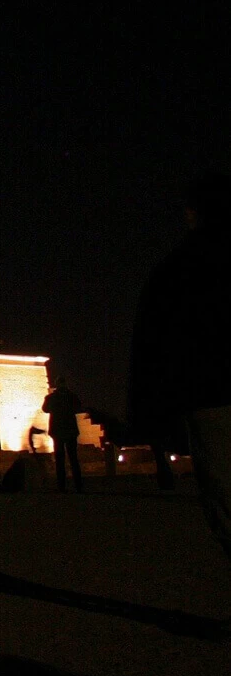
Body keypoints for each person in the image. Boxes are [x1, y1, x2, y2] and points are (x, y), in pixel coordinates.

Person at [128, 170, 231, 560]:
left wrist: (148, 417)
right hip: (211, 399)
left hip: (212, 400)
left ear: (193, 213)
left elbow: (155, 345)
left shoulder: (181, 266)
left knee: (226, 500)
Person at [42, 376, 83, 492]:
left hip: (57, 431)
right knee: (73, 458)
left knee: (59, 459)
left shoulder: (51, 397)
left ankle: (61, 486)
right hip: (70, 430)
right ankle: (78, 485)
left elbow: (45, 409)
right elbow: (78, 407)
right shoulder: (72, 396)